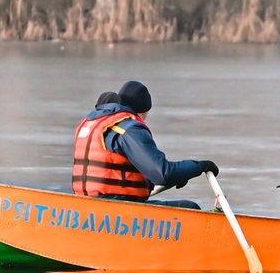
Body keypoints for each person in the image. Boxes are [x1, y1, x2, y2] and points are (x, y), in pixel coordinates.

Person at [71, 80, 218, 208]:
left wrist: (181, 175)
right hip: (116, 209)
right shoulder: (128, 128)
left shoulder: (92, 123)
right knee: (190, 208)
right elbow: (163, 173)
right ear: (142, 111)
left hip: (87, 205)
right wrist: (200, 166)